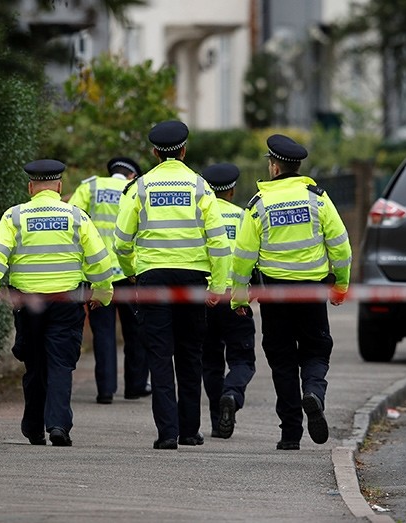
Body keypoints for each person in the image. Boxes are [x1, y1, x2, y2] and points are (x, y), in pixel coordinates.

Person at [0, 159, 114, 447]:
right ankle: (58, 426)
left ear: (30, 187)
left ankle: (33, 427)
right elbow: (100, 259)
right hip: (66, 302)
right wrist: (102, 293)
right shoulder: (77, 216)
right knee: (61, 363)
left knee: (35, 364)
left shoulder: (14, 217)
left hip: (27, 304)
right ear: (60, 186)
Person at [113, 120, 230, 450]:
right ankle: (190, 431)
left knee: (160, 356)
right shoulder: (200, 187)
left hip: (152, 279)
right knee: (191, 355)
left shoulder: (140, 188)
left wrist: (132, 273)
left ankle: (167, 434)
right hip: (193, 281)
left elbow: (121, 241)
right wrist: (218, 287)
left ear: (153, 153)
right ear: (184, 150)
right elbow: (218, 243)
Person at [230, 135, 352, 451]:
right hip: (312, 293)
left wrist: (239, 296)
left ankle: (290, 435)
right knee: (316, 350)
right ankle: (313, 392)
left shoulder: (258, 205)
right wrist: (341, 284)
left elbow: (243, 256)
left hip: (275, 297)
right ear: (296, 166)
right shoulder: (318, 199)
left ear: (273, 166)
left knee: (282, 361)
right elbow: (340, 246)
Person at [69, 157, 151, 404]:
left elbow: (71, 219)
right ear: (131, 176)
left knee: (103, 332)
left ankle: (105, 391)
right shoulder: (137, 190)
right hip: (130, 274)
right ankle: (135, 385)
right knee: (136, 330)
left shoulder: (90, 187)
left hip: (97, 274)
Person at [199, 163, 256, 439]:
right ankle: (232, 394)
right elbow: (254, 256)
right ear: (232, 191)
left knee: (210, 362)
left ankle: (215, 421)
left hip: (206, 300)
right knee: (243, 359)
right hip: (237, 301)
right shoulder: (244, 217)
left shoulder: (199, 217)